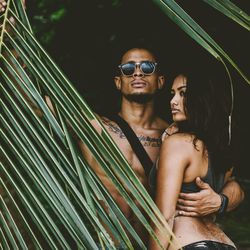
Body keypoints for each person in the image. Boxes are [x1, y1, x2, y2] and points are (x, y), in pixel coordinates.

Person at [0, 2, 244, 245]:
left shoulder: (177, 137)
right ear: (118, 82)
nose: (137, 72)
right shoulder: (96, 129)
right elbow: (32, 103)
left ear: (160, 82)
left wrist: (220, 201)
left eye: (147, 67)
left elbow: (232, 181)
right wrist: (9, 29)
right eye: (128, 68)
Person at [149, 66, 242, 250]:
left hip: (189, 242)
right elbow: (235, 187)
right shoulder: (220, 150)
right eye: (173, 93)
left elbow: (164, 217)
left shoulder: (178, 144)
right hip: (224, 243)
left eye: (183, 93)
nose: (173, 101)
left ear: (202, 99)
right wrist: (222, 202)